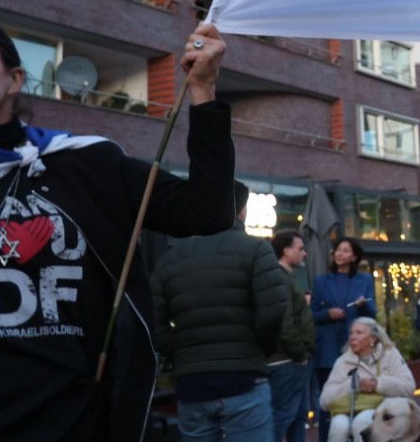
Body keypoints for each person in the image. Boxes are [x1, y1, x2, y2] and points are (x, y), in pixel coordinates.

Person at [0, 15, 237, 441]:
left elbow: (208, 211)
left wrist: (203, 91)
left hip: (83, 428)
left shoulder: (89, 164)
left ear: (14, 79)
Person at [152, 181, 289, 442]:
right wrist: (261, 348)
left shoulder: (170, 258)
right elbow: (273, 310)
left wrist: (179, 354)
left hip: (192, 383)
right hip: (244, 378)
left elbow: (155, 322)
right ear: (241, 212)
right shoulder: (256, 249)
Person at [311, 237, 376, 441]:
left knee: (359, 399)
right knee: (328, 401)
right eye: (338, 250)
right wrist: (327, 314)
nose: (340, 253)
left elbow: (373, 314)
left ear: (354, 256)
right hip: (327, 350)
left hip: (356, 350)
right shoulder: (321, 281)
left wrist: (363, 305)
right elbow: (311, 314)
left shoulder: (365, 280)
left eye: (345, 250)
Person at [318, 317, 413, 442]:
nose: (352, 337)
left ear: (372, 339)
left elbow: (409, 387)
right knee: (338, 425)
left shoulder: (390, 353)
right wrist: (353, 385)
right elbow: (324, 401)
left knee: (362, 421)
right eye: (351, 333)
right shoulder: (343, 361)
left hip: (384, 412)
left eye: (359, 333)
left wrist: (378, 384)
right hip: (348, 409)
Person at [269, 230, 316, 442]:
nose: (304, 253)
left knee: (296, 416)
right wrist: (299, 354)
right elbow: (283, 321)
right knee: (285, 417)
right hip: (287, 361)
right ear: (286, 251)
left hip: (289, 360)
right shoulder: (280, 278)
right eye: (300, 248)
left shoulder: (283, 277)